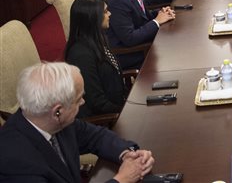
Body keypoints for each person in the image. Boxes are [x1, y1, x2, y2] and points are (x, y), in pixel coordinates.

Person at [0, 62, 154, 183]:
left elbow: (96, 136)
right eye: (78, 99)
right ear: (57, 111)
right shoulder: (15, 162)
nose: (83, 102)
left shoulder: (51, 120)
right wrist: (121, 180)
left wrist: (127, 155)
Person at [65, 0, 127, 117]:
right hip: (107, 119)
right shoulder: (80, 55)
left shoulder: (98, 39)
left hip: (120, 104)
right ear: (92, 18)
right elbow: (97, 103)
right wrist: (126, 110)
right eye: (105, 12)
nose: (110, 14)